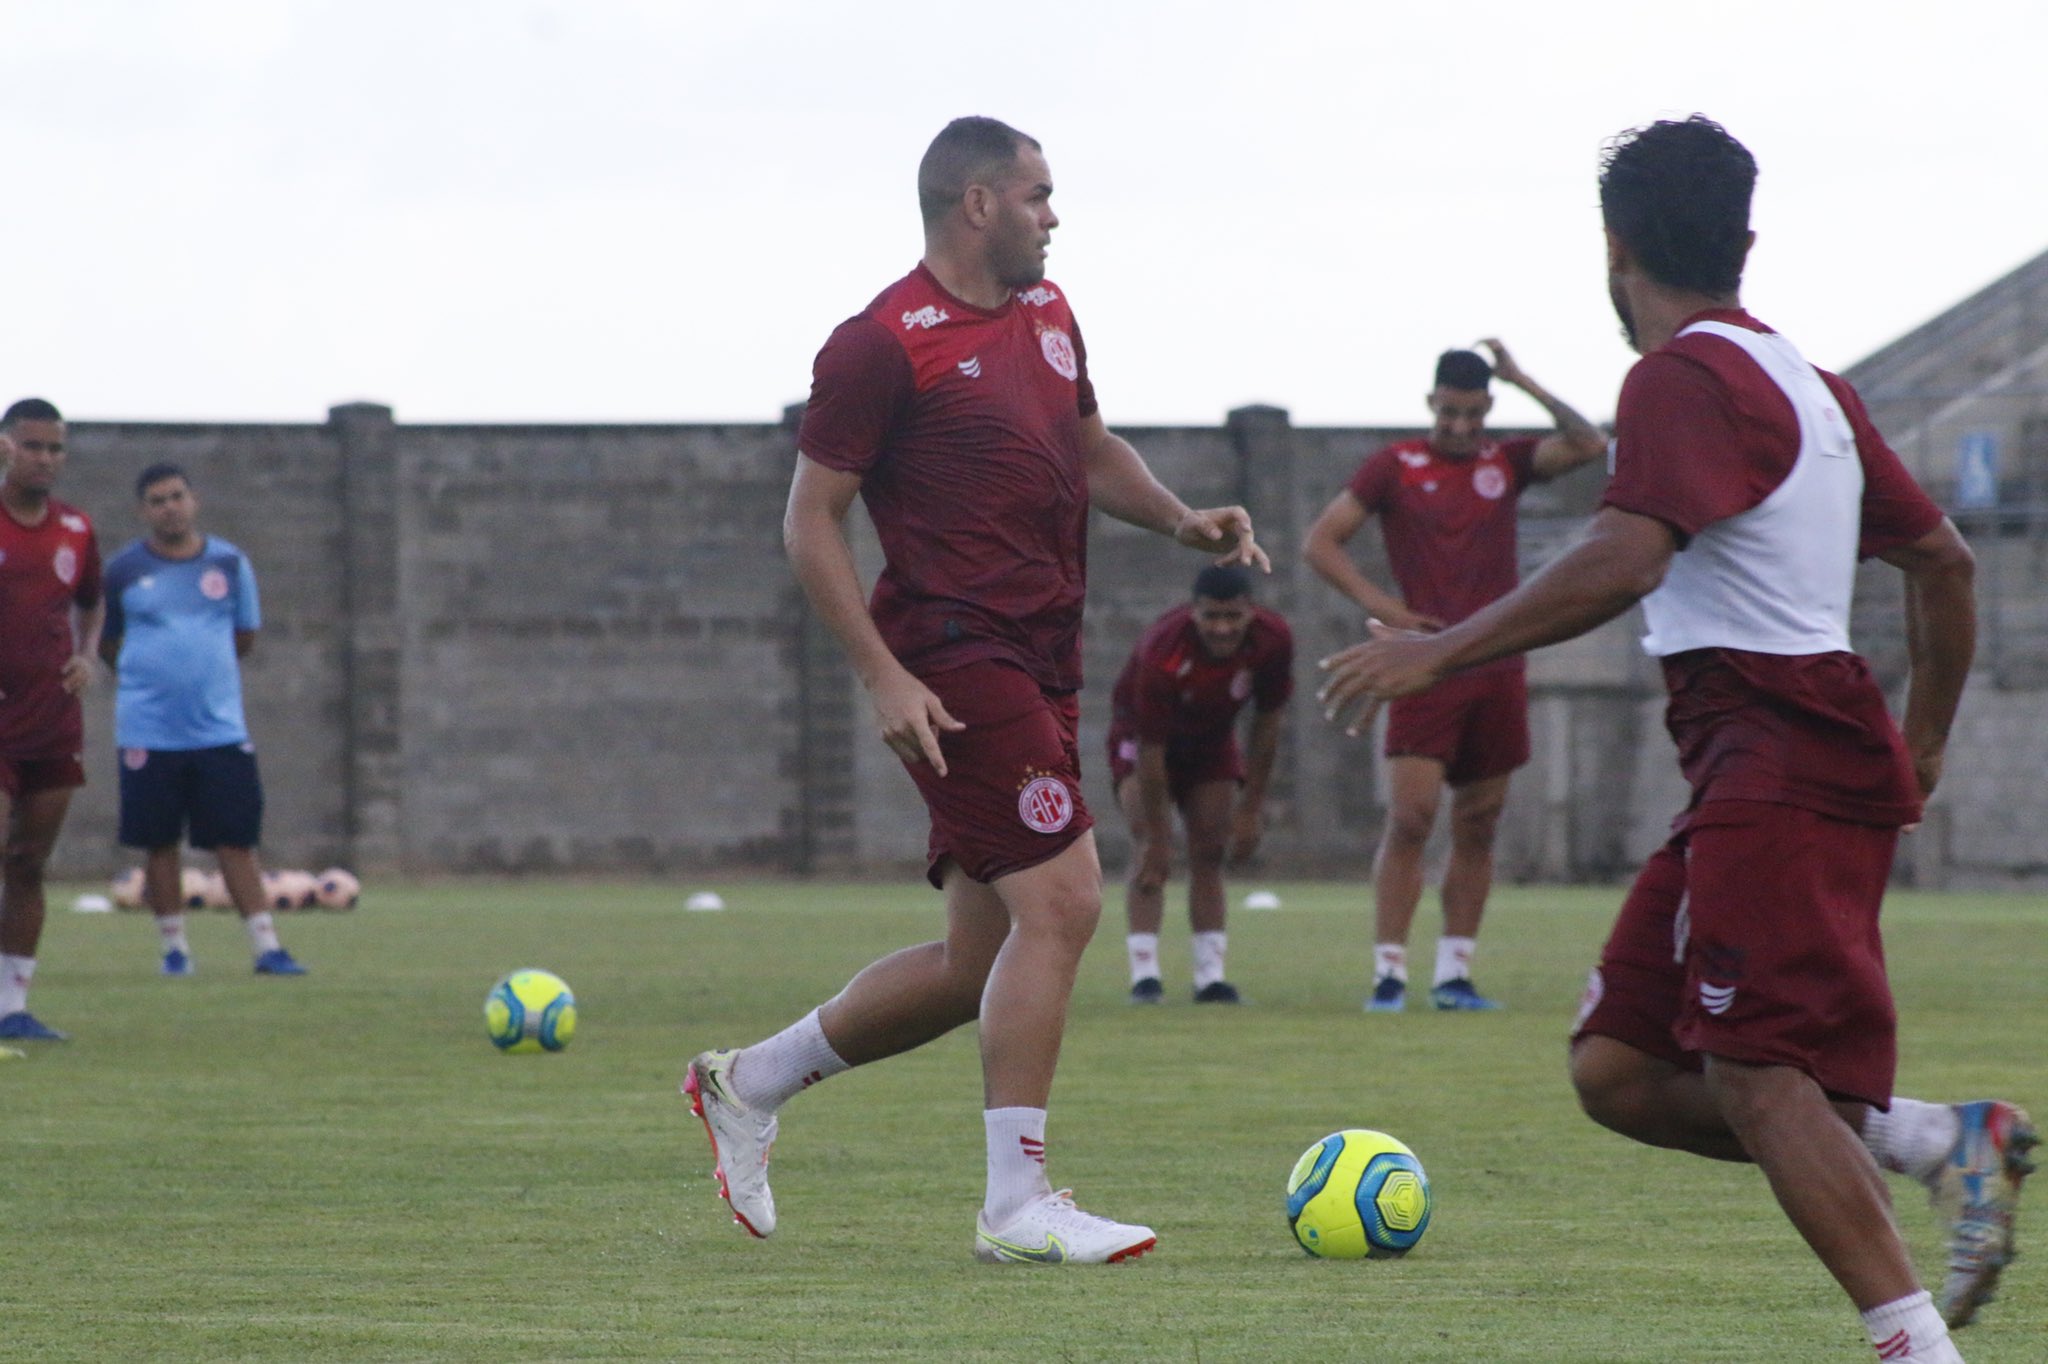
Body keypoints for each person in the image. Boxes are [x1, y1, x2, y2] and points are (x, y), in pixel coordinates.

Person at [1318, 115, 2034, 1362]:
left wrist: (1434, 647)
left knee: (1756, 1073)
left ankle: (1921, 1349)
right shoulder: (1807, 382)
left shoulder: (1674, 377)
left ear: (1612, 247)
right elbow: (1941, 559)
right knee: (1616, 1065)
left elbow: (1624, 551)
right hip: (1768, 767)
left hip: (1777, 759)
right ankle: (1936, 1139)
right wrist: (1914, 740)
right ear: (1743, 240)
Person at [681, 116, 1266, 1266]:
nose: (1056, 215)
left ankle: (746, 1082)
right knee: (1064, 901)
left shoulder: (1049, 316)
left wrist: (1180, 517)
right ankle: (1016, 1200)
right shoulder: (879, 343)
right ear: (978, 204)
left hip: (1044, 661)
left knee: (971, 963)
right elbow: (809, 519)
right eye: (1040, 194)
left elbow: (1089, 446)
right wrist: (881, 673)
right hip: (954, 658)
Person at [1302, 340, 1607, 1012]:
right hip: (1425, 666)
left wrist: (1525, 376)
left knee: (1481, 820)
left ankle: (1454, 975)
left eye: (1473, 413)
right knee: (1411, 818)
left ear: (1488, 407)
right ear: (1431, 403)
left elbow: (1587, 443)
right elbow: (1321, 541)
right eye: (1449, 412)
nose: (1461, 426)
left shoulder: (1508, 462)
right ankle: (1388, 973)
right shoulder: (1395, 467)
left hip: (1496, 662)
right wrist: (1383, 607)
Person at [97, 463, 306, 978]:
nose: (169, 507)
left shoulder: (230, 564)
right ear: (143, 510)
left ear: (194, 500)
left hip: (218, 730)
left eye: (176, 496)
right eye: (157, 500)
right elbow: (107, 643)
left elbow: (244, 639)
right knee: (159, 841)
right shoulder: (123, 571)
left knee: (235, 839)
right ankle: (174, 951)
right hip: (148, 731)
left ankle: (266, 948)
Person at [1106, 563, 1292, 1005]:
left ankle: (1210, 978)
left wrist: (1251, 808)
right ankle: (1145, 978)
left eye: (1233, 617)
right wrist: (1157, 836)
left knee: (1210, 851)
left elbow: (1267, 724)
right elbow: (1151, 751)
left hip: (1211, 741)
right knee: (1150, 848)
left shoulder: (1273, 640)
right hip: (1144, 741)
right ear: (1194, 613)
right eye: (1212, 617)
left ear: (1250, 612)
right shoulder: (1163, 651)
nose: (1222, 628)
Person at [0, 398, 105, 1042]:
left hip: (52, 722)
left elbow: (94, 604)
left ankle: (12, 1009)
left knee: (29, 864)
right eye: (33, 446)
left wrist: (89, 656)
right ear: (6, 447)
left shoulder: (76, 528)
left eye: (56, 448)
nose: (46, 459)